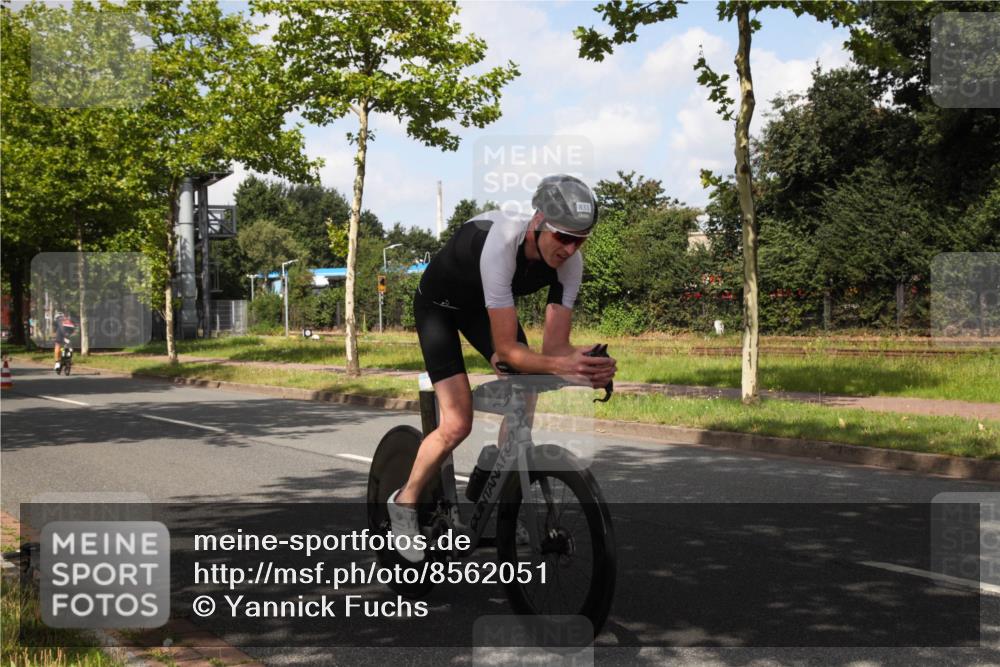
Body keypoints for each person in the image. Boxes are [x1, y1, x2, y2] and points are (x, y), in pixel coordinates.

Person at [388, 174, 617, 562]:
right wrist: (550, 363)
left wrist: (586, 364)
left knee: (528, 388)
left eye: (580, 240)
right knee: (458, 422)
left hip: (482, 309)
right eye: (562, 236)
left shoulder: (569, 264)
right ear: (539, 221)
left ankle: (490, 471)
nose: (569, 248)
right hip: (438, 309)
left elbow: (555, 349)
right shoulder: (502, 242)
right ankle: (404, 502)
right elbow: (509, 350)